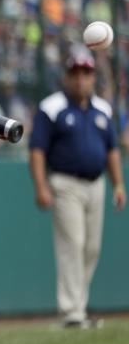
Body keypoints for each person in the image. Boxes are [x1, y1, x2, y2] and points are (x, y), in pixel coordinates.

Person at [28, 50, 126, 328]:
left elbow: (112, 151)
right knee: (73, 244)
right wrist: (41, 186)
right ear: (67, 77)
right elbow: (37, 151)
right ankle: (71, 312)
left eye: (86, 73)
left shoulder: (103, 109)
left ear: (93, 77)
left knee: (91, 248)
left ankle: (78, 309)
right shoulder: (52, 107)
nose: (81, 79)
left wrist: (118, 183)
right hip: (64, 183)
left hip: (96, 184)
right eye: (76, 74)